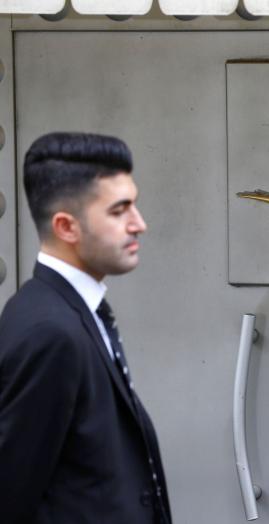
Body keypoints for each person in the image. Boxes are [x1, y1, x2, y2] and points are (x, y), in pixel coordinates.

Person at [0, 132, 171, 524]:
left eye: (135, 205)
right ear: (66, 226)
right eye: (119, 210)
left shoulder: (67, 309)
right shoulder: (49, 331)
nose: (139, 224)